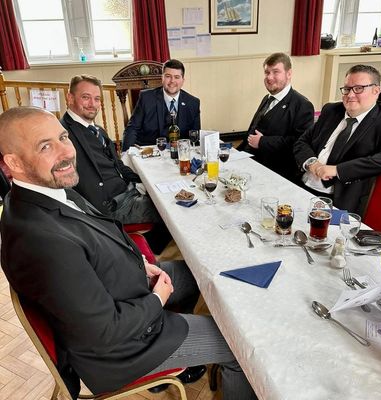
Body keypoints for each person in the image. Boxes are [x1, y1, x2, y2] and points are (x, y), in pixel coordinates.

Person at [0, 107, 257, 400]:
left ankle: (186, 356)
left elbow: (103, 233)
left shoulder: (44, 189)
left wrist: (141, 263)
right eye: (45, 146)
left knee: (201, 273)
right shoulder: (39, 240)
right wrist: (157, 299)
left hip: (124, 289)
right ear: (14, 163)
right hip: (124, 350)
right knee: (242, 350)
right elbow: (104, 332)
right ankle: (183, 350)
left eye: (63, 137)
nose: (67, 152)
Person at [60, 75, 166, 241]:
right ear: (70, 98)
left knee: (166, 193)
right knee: (170, 208)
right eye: (86, 97)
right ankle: (143, 247)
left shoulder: (97, 130)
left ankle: (149, 243)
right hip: (112, 206)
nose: (92, 104)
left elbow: (118, 164)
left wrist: (147, 181)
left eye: (97, 99)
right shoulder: (63, 135)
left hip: (128, 192)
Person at [293, 64, 381, 216]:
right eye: (347, 89)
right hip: (301, 185)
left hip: (338, 199)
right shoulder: (331, 110)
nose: (350, 95)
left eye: (358, 89)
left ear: (376, 91)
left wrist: (337, 170)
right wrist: (312, 163)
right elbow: (302, 142)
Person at [237, 52, 314, 182]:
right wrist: (235, 154)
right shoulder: (267, 99)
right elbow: (252, 131)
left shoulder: (302, 105)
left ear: (289, 74)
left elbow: (300, 143)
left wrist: (262, 142)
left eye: (275, 72)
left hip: (275, 173)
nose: (269, 77)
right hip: (250, 163)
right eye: (267, 72)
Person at [122, 59, 201, 151]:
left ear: (183, 80)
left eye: (177, 77)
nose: (172, 81)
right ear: (162, 78)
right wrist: (126, 153)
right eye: (168, 76)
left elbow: (195, 136)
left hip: (180, 153)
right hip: (150, 151)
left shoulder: (193, 103)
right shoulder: (146, 98)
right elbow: (132, 128)